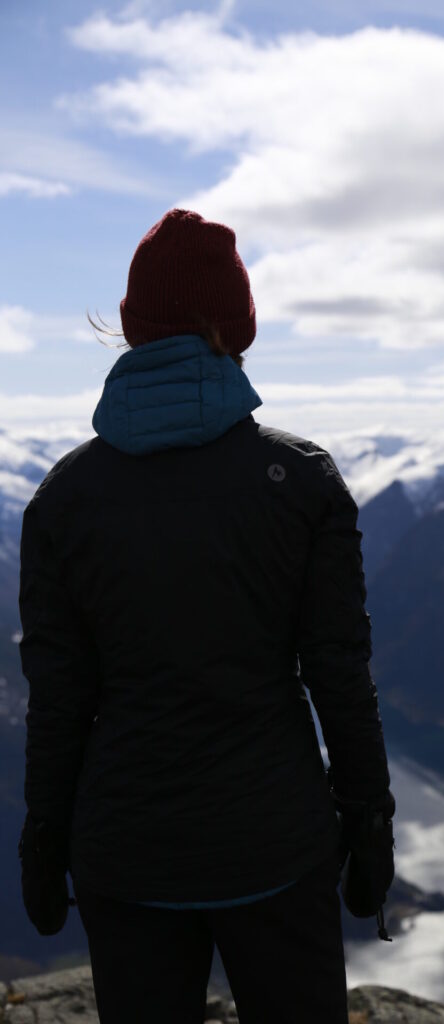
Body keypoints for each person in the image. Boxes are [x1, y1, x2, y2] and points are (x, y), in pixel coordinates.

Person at [16, 209, 396, 1024]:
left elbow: (59, 696)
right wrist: (367, 817)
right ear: (241, 329)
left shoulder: (64, 501)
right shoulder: (297, 482)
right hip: (276, 845)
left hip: (126, 855)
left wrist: (44, 831)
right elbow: (338, 671)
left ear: (128, 328)